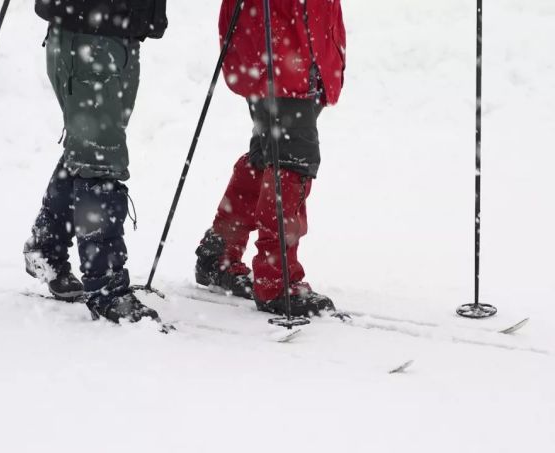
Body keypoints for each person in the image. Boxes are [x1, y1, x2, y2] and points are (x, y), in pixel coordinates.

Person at [195, 0, 346, 317]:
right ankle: (277, 281)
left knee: (267, 156)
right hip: (279, 44)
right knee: (290, 162)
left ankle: (220, 252)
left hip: (297, 47)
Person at [25, 0, 168, 324]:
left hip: (121, 31)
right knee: (99, 160)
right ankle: (106, 289)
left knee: (90, 152)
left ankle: (46, 247)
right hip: (88, 33)